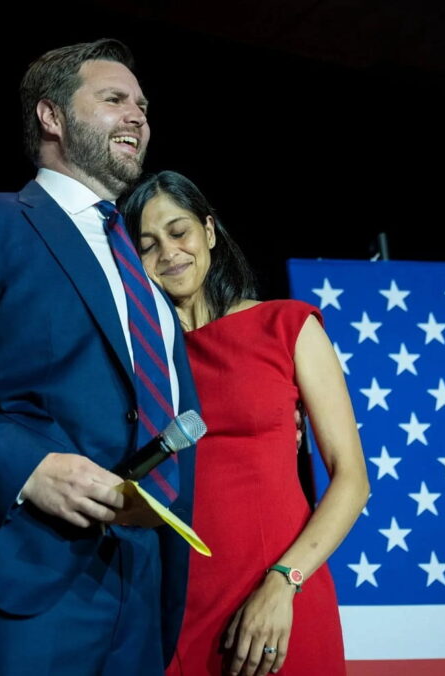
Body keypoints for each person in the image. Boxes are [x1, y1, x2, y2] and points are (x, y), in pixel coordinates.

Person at [0, 40, 200, 675]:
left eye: (143, 105)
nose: (137, 116)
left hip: (141, 584)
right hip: (20, 571)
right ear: (52, 117)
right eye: (113, 100)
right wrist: (31, 468)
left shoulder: (146, 271)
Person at [122, 171, 370, 676]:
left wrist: (284, 581)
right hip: (172, 604)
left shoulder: (287, 326)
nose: (168, 252)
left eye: (178, 231)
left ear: (209, 232)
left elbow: (352, 479)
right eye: (147, 245)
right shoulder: (138, 359)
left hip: (280, 596)